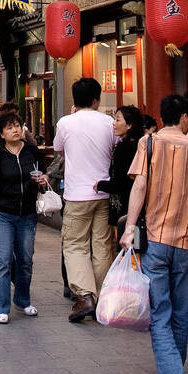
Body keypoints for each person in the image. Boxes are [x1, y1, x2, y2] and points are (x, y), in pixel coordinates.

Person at [121, 94, 188, 374]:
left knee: (160, 316)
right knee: (180, 314)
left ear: (161, 118)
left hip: (157, 242)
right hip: (186, 244)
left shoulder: (148, 144)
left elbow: (139, 187)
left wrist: (129, 227)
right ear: (185, 118)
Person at [54, 77, 125, 322]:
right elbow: (116, 148)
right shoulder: (109, 123)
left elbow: (59, 150)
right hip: (103, 194)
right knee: (102, 245)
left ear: (75, 99)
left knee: (75, 245)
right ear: (97, 99)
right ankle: (101, 295)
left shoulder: (65, 123)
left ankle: (85, 295)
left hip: (76, 195)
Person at [0, 108, 48, 322]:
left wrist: (43, 180)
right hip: (2, 214)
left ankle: (23, 300)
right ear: (2, 133)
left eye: (17, 126)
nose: (15, 130)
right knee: (4, 260)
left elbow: (43, 174)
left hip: (27, 213)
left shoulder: (32, 152)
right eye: (10, 127)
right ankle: (2, 307)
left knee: (26, 259)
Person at [98, 104, 145, 238]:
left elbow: (121, 182)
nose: (114, 123)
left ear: (129, 125)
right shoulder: (139, 144)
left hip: (125, 208)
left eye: (118, 120)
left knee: (127, 247)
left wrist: (101, 185)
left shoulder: (124, 148)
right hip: (138, 207)